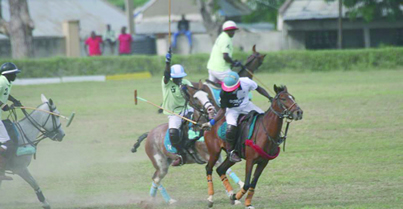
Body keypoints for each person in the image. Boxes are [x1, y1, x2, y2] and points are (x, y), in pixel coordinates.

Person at [202, 72, 273, 163]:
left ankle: (274, 138)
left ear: (238, 83)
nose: (230, 91)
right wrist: (211, 123)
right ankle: (231, 152)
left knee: (264, 118)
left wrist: (269, 97)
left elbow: (258, 88)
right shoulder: (223, 93)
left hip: (247, 105)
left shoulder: (246, 82)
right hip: (232, 110)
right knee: (231, 127)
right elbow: (222, 110)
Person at [162, 48, 193, 166]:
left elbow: (192, 97)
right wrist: (167, 62)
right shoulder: (167, 82)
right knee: (173, 132)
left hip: (187, 109)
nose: (178, 79)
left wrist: (186, 91)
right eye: (176, 77)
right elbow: (165, 74)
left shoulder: (186, 82)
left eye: (180, 77)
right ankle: (180, 153)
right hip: (174, 112)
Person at [0, 62, 23, 181]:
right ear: (9, 74)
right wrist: (4, 106)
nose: (16, 76)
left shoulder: (6, 82)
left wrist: (14, 100)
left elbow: (5, 93)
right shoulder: (2, 81)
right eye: (14, 73)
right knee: (6, 144)